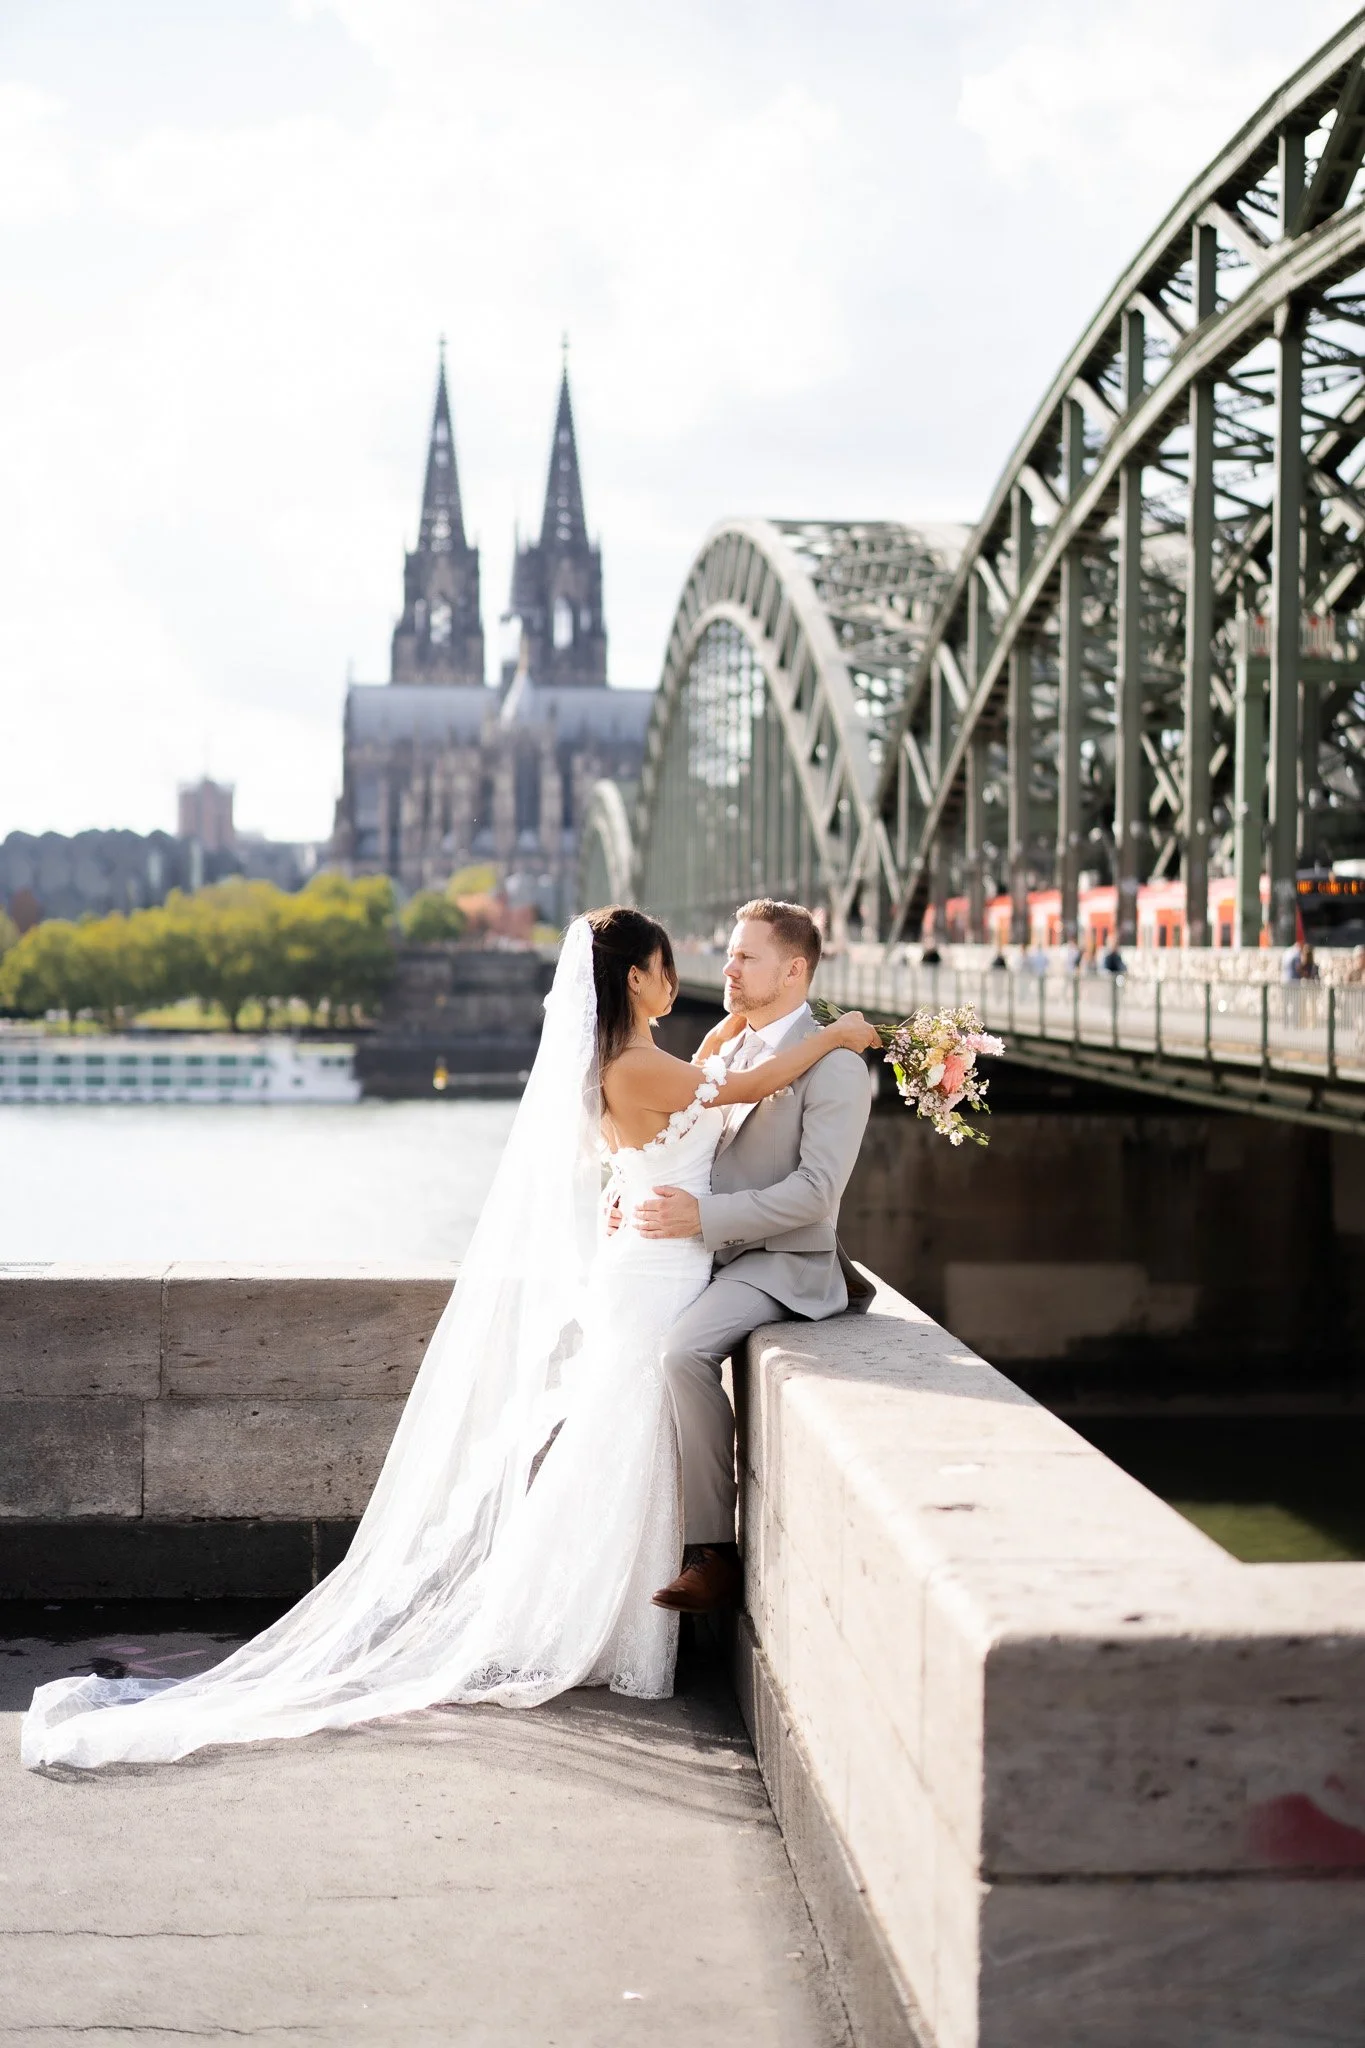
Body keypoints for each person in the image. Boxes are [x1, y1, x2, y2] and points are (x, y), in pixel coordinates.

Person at [22, 905, 878, 1771]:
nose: (687, 978)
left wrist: (730, 1049)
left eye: (735, 959)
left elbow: (699, 1092)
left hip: (652, 1261)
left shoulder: (624, 1062)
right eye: (667, 967)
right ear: (634, 978)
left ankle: (597, 1615)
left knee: (620, 1442)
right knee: (623, 1441)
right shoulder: (642, 1065)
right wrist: (836, 1034)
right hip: (657, 1273)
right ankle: (597, 1623)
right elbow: (735, 1091)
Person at [625, 899, 877, 1614]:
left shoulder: (834, 1066)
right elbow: (680, 1148)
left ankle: (713, 1554)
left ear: (794, 971)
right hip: (705, 1252)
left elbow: (816, 1195)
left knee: (681, 1352)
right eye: (730, 954)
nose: (727, 967)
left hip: (780, 1261)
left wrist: (703, 1218)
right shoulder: (728, 1050)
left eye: (745, 957)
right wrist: (631, 1198)